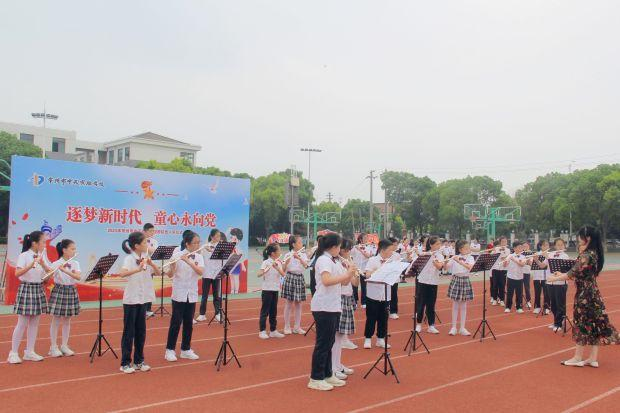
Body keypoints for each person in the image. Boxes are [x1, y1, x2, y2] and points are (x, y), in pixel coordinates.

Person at [547, 226, 619, 367]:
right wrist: (561, 275)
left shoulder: (586, 255)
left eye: (580, 236)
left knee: (581, 323)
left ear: (588, 238)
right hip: (593, 292)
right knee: (594, 323)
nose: (578, 239)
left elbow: (572, 273)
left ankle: (577, 357)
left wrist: (554, 278)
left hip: (585, 295)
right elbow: (580, 274)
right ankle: (592, 358)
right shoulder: (594, 253)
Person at [308, 233, 356, 391]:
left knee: (329, 343)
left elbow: (344, 283)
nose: (340, 249)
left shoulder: (333, 261)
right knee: (323, 344)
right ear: (334, 247)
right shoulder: (323, 260)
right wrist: (346, 274)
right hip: (323, 306)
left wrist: (350, 272)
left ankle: (328, 374)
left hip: (333, 305)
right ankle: (316, 378)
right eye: (339, 246)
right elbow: (326, 281)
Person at [118, 232, 161, 374]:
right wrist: (138, 269)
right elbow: (122, 273)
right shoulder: (129, 259)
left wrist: (151, 264)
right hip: (131, 299)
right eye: (144, 243)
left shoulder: (146, 257)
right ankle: (125, 363)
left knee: (141, 332)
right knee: (129, 332)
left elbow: (158, 273)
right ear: (136, 246)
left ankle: (138, 361)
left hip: (142, 299)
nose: (147, 245)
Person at [7, 231, 52, 364]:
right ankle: (13, 353)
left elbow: (47, 278)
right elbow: (17, 273)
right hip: (26, 288)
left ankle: (30, 351)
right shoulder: (24, 255)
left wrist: (43, 265)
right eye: (43, 242)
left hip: (38, 288)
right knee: (22, 323)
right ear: (34, 243)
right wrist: (31, 265)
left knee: (34, 323)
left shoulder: (42, 256)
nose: (45, 244)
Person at [164, 231, 204, 362]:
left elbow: (200, 272)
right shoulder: (176, 255)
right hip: (179, 293)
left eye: (198, 242)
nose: (198, 245)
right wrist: (173, 266)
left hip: (191, 294)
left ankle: (185, 349)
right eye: (195, 243)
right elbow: (170, 274)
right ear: (187, 244)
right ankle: (169, 350)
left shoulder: (199, 257)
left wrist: (188, 261)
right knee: (176, 323)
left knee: (188, 323)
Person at [48, 239, 81, 357]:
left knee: (67, 320)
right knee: (56, 319)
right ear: (64, 250)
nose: (74, 251)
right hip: (59, 290)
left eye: (74, 249)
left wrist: (65, 271)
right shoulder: (56, 263)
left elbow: (78, 277)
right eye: (72, 249)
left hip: (71, 290)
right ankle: (53, 347)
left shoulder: (75, 263)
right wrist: (54, 270)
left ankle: (64, 345)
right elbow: (48, 277)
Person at [363, 239, 397, 348]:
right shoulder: (372, 260)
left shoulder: (391, 261)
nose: (392, 252)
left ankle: (380, 339)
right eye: (390, 250)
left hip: (385, 294)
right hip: (373, 294)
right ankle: (368, 338)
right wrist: (380, 270)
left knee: (383, 318)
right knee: (371, 317)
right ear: (383, 250)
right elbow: (367, 275)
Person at [415, 236, 445, 334]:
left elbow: (439, 266)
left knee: (431, 304)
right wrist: (423, 254)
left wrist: (433, 258)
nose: (439, 246)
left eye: (440, 244)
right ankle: (418, 324)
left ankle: (431, 325)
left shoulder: (440, 256)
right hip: (423, 281)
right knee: (421, 304)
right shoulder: (425, 254)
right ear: (431, 245)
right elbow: (416, 264)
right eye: (437, 244)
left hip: (433, 282)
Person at [446, 240, 475, 336]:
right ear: (460, 249)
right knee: (455, 305)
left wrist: (459, 261)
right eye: (466, 248)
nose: (468, 249)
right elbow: (446, 267)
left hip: (465, 279)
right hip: (456, 279)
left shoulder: (470, 257)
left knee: (463, 305)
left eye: (468, 248)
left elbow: (470, 267)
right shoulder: (455, 257)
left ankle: (462, 328)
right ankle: (453, 327)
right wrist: (447, 260)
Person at [335, 239, 360, 353]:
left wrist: (357, 273)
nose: (349, 252)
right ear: (342, 250)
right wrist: (349, 271)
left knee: (346, 319)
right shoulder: (338, 263)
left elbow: (355, 283)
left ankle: (344, 340)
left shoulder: (349, 262)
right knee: (341, 320)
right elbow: (343, 282)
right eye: (348, 250)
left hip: (348, 293)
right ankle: (342, 341)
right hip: (340, 293)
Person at [282, 235, 309, 335]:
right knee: (288, 303)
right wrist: (286, 262)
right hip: (290, 277)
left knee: (299, 304)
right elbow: (283, 269)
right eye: (299, 242)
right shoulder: (287, 255)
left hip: (299, 278)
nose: (302, 244)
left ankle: (297, 327)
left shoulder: (303, 255)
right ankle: (287, 326)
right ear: (293, 244)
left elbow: (306, 266)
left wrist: (299, 258)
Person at [258, 243, 286, 339]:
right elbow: (259, 274)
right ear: (273, 253)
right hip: (267, 290)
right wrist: (267, 269)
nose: (280, 252)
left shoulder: (278, 263)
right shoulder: (266, 262)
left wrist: (277, 267)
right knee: (265, 311)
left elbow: (283, 274)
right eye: (279, 250)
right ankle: (262, 331)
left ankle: (273, 330)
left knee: (273, 311)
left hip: (275, 289)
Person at [542, 238, 570, 332]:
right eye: (558, 245)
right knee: (553, 304)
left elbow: (562, 269)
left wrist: (547, 257)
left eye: (562, 245)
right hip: (550, 282)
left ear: (564, 246)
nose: (560, 246)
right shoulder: (550, 254)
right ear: (555, 246)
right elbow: (543, 265)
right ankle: (556, 321)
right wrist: (536, 258)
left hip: (560, 283)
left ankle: (559, 323)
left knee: (560, 304)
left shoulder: (565, 256)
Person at [196, 229, 222, 323]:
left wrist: (212, 250)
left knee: (216, 295)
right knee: (204, 296)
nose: (219, 237)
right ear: (212, 237)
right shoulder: (205, 246)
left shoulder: (221, 246)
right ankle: (202, 314)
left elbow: (222, 257)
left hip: (216, 274)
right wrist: (200, 248)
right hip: (206, 273)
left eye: (219, 235)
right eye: (217, 235)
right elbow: (198, 256)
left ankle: (218, 314)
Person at [503, 241, 527, 313]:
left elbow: (522, 264)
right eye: (519, 247)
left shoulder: (523, 256)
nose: (520, 249)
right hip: (511, 277)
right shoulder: (510, 255)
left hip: (519, 277)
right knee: (510, 293)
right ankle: (508, 307)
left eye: (521, 247)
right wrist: (505, 262)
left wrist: (514, 259)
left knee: (519, 293)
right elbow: (505, 265)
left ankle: (519, 307)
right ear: (514, 248)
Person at [531, 240, 551, 315]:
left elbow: (544, 265)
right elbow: (530, 263)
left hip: (546, 277)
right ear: (540, 246)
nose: (546, 247)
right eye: (544, 245)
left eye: (547, 245)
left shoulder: (549, 254)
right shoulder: (536, 254)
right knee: (537, 292)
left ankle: (547, 307)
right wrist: (531, 260)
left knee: (547, 293)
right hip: (537, 276)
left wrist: (538, 260)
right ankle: (537, 307)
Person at [143, 223, 158, 318]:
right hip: (141, 267)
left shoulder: (154, 241)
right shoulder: (139, 240)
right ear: (144, 231)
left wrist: (146, 247)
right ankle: (142, 309)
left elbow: (154, 251)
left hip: (150, 267)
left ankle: (148, 309)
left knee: (149, 288)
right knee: (142, 288)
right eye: (150, 231)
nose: (152, 232)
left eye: (153, 231)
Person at [490, 237, 510, 306]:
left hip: (503, 269)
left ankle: (502, 300)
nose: (504, 243)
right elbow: (491, 256)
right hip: (495, 269)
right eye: (503, 242)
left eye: (505, 241)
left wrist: (502, 252)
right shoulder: (496, 249)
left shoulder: (508, 250)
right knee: (495, 285)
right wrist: (494, 251)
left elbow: (504, 258)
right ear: (500, 243)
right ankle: (494, 299)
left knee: (502, 285)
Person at [522, 241, 532, 309]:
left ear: (529, 247)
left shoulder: (531, 254)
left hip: (527, 272)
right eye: (524, 246)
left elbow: (530, 263)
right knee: (519, 288)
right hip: (519, 273)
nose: (525, 247)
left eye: (526, 246)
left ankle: (528, 301)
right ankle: (519, 301)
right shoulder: (520, 253)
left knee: (527, 287)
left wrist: (527, 260)